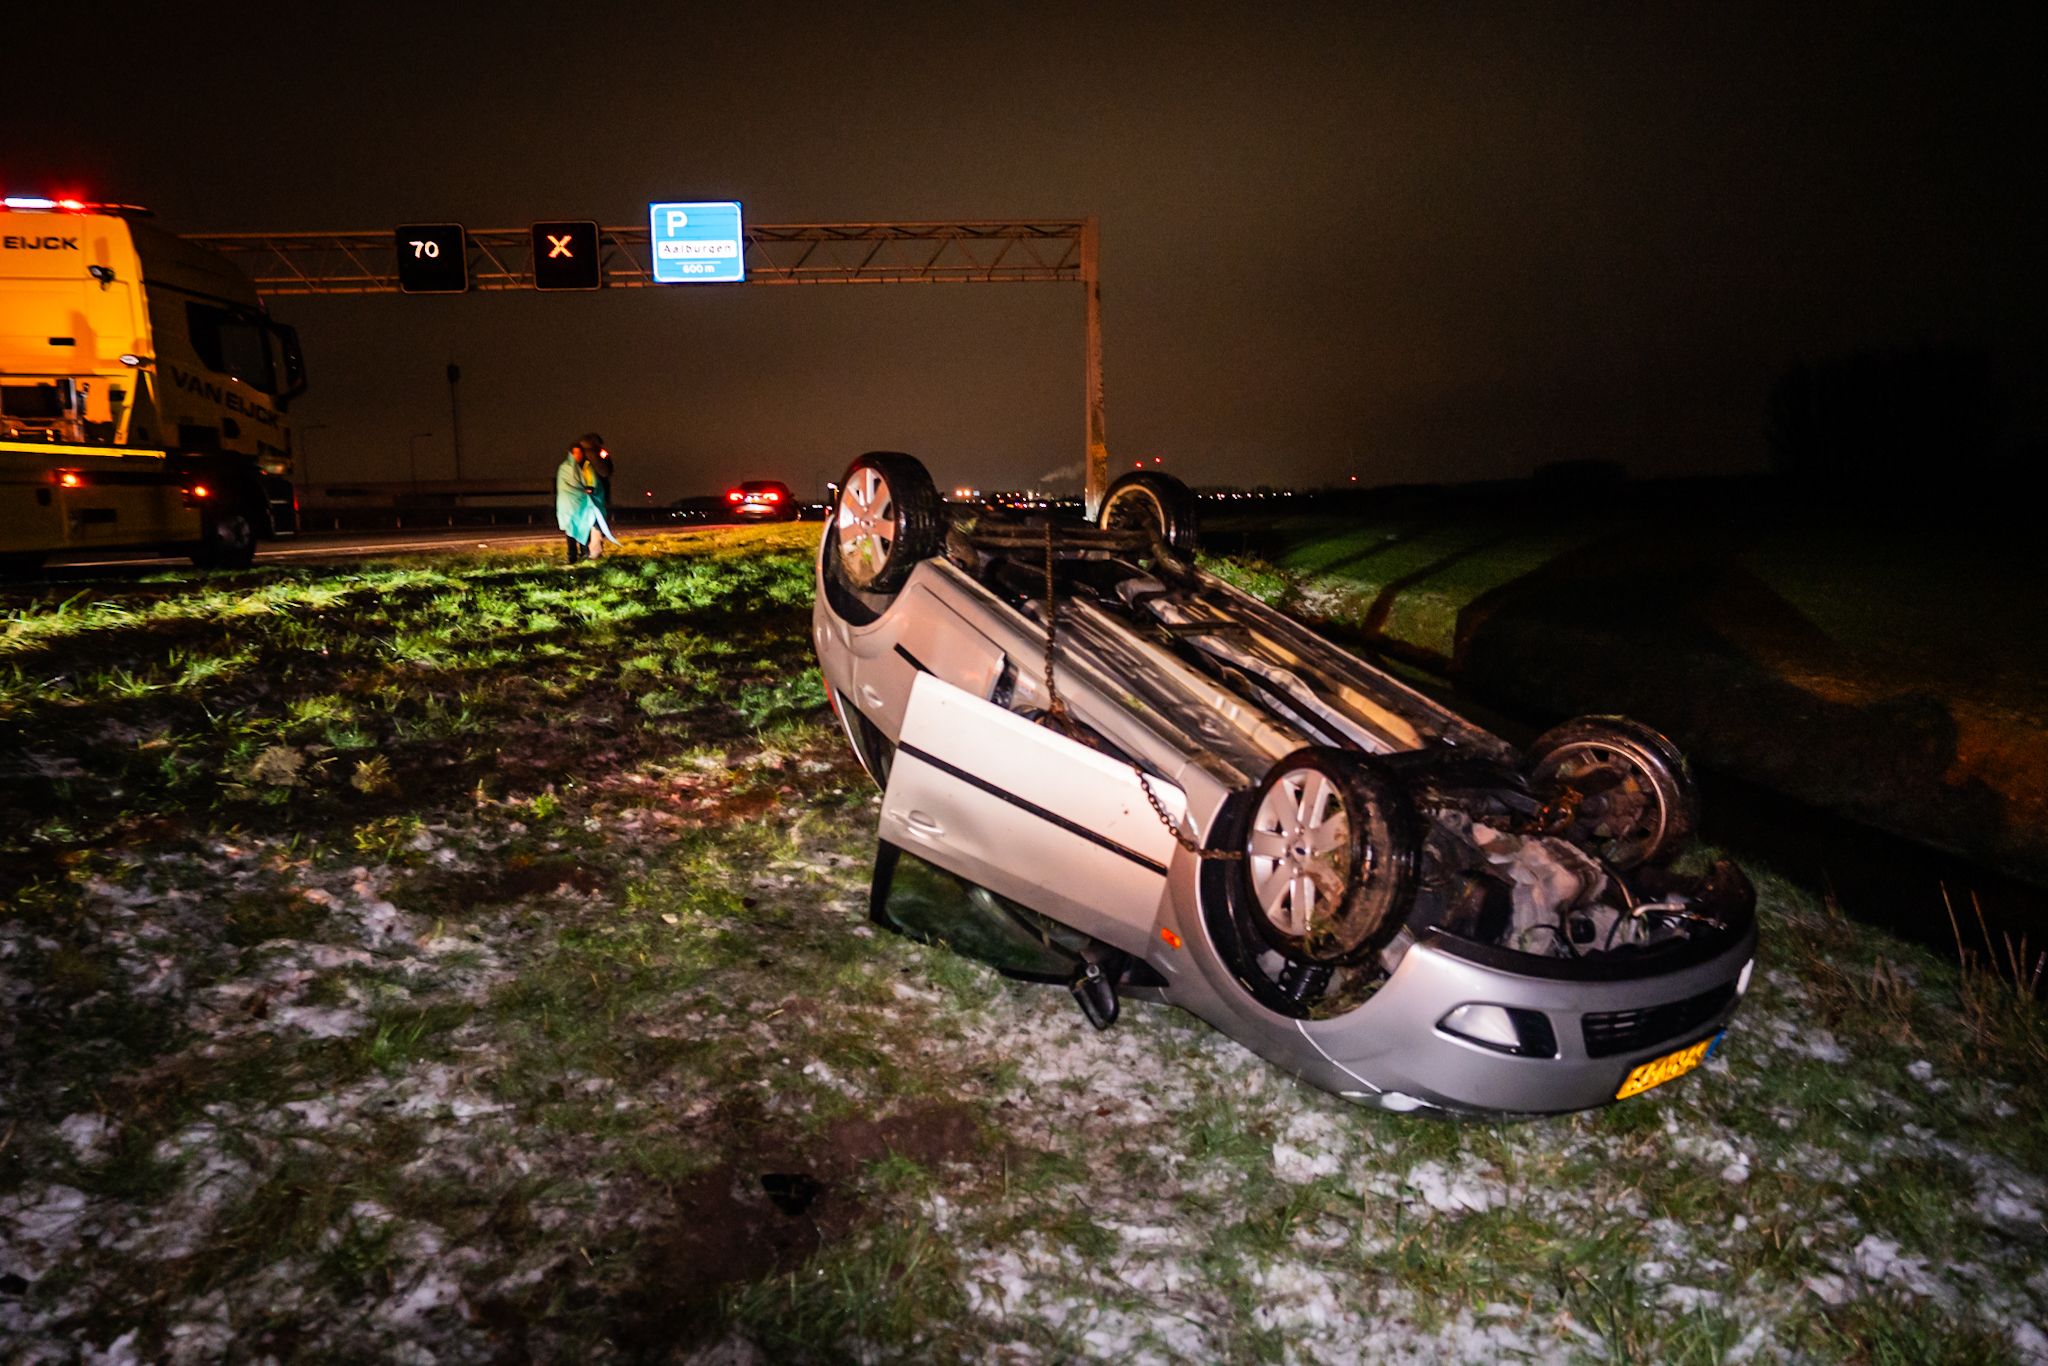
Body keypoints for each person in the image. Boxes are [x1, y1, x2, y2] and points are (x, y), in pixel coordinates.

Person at [555, 441, 598, 562]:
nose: (578, 455)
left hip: (582, 505)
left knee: (584, 527)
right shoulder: (565, 468)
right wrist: (581, 490)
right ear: (571, 454)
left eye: (580, 453)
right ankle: (572, 557)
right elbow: (565, 486)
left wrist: (590, 489)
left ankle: (585, 555)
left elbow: (592, 482)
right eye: (575, 453)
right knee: (571, 529)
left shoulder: (586, 467)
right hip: (569, 504)